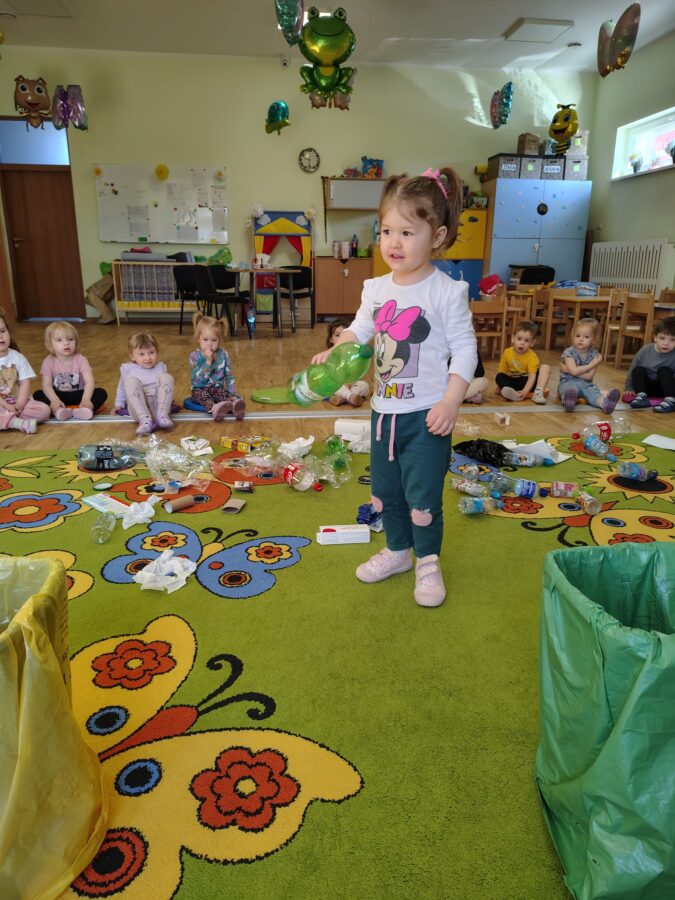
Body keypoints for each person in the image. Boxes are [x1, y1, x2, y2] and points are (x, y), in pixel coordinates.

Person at [311, 167, 477, 608]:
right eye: (387, 231)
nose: (394, 243)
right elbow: (359, 330)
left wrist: (451, 401)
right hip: (384, 415)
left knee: (422, 498)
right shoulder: (376, 288)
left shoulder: (447, 292)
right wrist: (337, 350)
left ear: (437, 236)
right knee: (385, 494)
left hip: (427, 418)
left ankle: (427, 562)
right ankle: (398, 551)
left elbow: (465, 350)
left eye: (407, 232)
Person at [34, 321, 108, 420]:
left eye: (70, 339)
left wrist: (86, 399)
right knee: (38, 394)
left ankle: (85, 410)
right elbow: (47, 385)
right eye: (59, 340)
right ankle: (58, 410)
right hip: (59, 395)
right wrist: (54, 400)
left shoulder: (81, 359)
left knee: (101, 392)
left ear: (76, 343)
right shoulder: (48, 362)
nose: (66, 343)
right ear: (50, 345)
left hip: (79, 394)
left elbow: (89, 381)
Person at [114, 331, 175, 435]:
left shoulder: (161, 367)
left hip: (157, 408)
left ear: (157, 352)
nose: (148, 358)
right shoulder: (128, 369)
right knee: (131, 382)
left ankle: (163, 416)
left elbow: (164, 387)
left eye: (151, 352)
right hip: (138, 411)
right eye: (142, 354)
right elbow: (122, 387)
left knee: (167, 377)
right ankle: (145, 421)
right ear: (132, 356)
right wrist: (119, 404)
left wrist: (168, 399)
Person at [0, 307, 50, 434]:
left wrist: (19, 405)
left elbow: (24, 383)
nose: (1, 336)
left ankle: (8, 420)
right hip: (1, 405)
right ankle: (17, 423)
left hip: (18, 402)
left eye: (2, 331)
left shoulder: (18, 357)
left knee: (44, 411)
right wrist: (6, 406)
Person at [189, 311, 245, 420]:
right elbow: (198, 381)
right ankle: (215, 409)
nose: (209, 344)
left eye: (214, 340)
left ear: (219, 341)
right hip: (200, 389)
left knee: (224, 394)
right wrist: (208, 361)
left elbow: (229, 376)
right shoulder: (194, 356)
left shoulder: (223, 354)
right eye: (205, 339)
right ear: (198, 339)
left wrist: (232, 394)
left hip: (217, 388)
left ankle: (235, 407)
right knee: (203, 396)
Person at [558, 317, 620, 413]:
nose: (581, 339)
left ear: (593, 340)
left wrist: (569, 370)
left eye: (586, 337)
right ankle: (568, 401)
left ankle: (604, 403)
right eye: (577, 336)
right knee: (569, 390)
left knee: (593, 392)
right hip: (568, 381)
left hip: (586, 384)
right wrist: (593, 364)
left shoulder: (594, 355)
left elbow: (589, 376)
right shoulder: (569, 353)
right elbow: (574, 372)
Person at [626, 316, 675, 413]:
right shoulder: (646, 350)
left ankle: (670, 400)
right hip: (647, 388)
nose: (666, 343)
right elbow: (633, 367)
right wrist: (629, 387)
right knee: (638, 370)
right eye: (662, 338)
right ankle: (641, 396)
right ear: (655, 338)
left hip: (666, 389)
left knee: (664, 370)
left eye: (672, 340)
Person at [495, 321, 550, 404]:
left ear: (532, 343)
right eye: (519, 339)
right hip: (512, 381)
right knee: (499, 376)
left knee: (545, 367)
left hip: (527, 382)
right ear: (513, 338)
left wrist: (525, 391)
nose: (522, 343)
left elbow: (532, 376)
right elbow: (502, 371)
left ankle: (538, 393)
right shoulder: (507, 352)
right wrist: (500, 386)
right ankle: (510, 392)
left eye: (527, 340)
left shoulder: (532, 356)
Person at [325, 319, 370, 407]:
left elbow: (357, 374)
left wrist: (349, 384)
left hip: (351, 383)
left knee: (365, 386)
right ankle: (350, 397)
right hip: (336, 384)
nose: (342, 339)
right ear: (331, 339)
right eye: (337, 335)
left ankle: (343, 398)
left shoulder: (354, 355)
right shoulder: (330, 355)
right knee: (334, 388)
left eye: (345, 335)